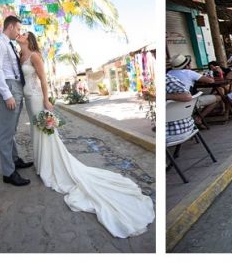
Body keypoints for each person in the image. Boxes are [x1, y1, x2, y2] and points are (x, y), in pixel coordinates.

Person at [16, 31, 154, 238]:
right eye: (18, 32)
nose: (19, 34)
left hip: (36, 98)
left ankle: (49, 166)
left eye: (23, 33)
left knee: (44, 131)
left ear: (29, 39)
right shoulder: (21, 55)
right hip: (28, 99)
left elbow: (43, 79)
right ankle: (42, 163)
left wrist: (46, 100)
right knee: (36, 133)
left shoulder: (35, 55)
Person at [0, 15, 33, 187]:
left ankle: (15, 160)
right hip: (9, 87)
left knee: (12, 129)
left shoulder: (9, 44)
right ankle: (8, 172)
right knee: (6, 132)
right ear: (11, 26)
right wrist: (7, 95)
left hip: (16, 86)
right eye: (18, 29)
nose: (19, 32)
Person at [167, 54, 221, 128]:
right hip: (188, 102)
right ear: (187, 65)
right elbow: (211, 81)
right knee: (218, 98)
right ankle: (198, 118)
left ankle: (195, 116)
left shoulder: (168, 74)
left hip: (172, 105)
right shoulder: (188, 72)